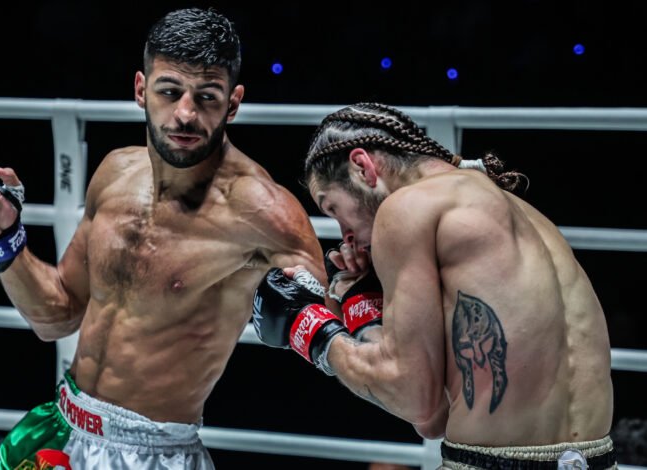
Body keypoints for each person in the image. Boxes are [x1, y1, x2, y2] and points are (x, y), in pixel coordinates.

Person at [0, 7, 325, 470]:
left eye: (207, 96)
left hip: (154, 456)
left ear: (233, 102)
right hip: (62, 426)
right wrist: (1, 241)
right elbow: (58, 316)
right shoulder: (115, 173)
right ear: (141, 89)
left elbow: (334, 324)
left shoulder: (263, 211)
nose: (185, 114)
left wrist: (344, 294)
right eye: (170, 91)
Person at [252, 102, 617, 469]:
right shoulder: (526, 214)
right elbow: (434, 415)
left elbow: (416, 403)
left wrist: (309, 327)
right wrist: (360, 303)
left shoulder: (407, 208)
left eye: (333, 208)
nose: (346, 235)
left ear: (362, 167)